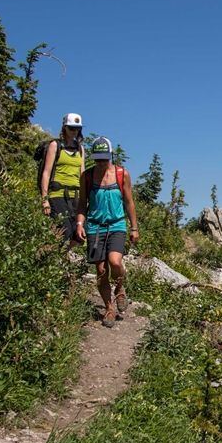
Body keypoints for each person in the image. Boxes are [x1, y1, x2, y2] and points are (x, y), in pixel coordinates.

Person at [76, 136, 139, 328]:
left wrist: (134, 227)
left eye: (104, 158)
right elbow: (82, 204)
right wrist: (80, 223)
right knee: (101, 270)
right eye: (97, 159)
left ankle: (120, 288)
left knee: (115, 262)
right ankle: (109, 307)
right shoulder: (87, 176)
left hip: (117, 224)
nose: (101, 162)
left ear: (110, 155)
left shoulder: (122, 174)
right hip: (95, 226)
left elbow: (128, 202)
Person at [41, 113, 85, 250]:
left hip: (76, 195)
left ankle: (62, 254)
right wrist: (45, 200)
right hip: (57, 194)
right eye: (72, 128)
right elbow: (46, 173)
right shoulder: (56, 145)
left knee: (80, 232)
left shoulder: (80, 149)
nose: (75, 131)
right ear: (65, 127)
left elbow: (82, 174)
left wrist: (86, 196)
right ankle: (55, 257)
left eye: (77, 129)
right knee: (63, 230)